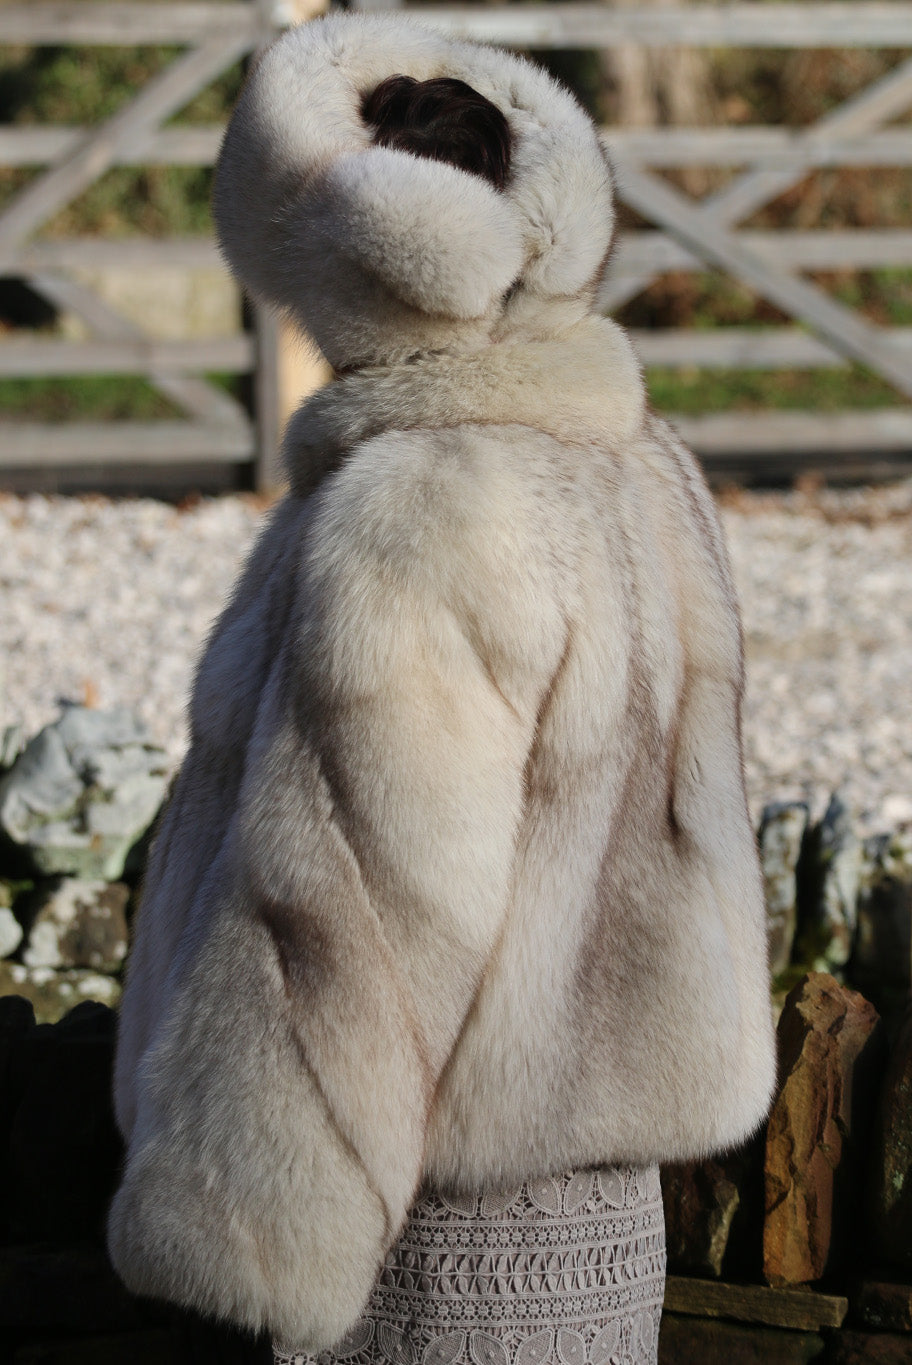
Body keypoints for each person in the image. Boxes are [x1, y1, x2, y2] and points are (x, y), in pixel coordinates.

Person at [106, 16, 776, 1365]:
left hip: (426, 1232)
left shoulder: (419, 503)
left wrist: (246, 1230)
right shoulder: (646, 470)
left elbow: (361, 908)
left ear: (345, 262)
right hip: (599, 1213)